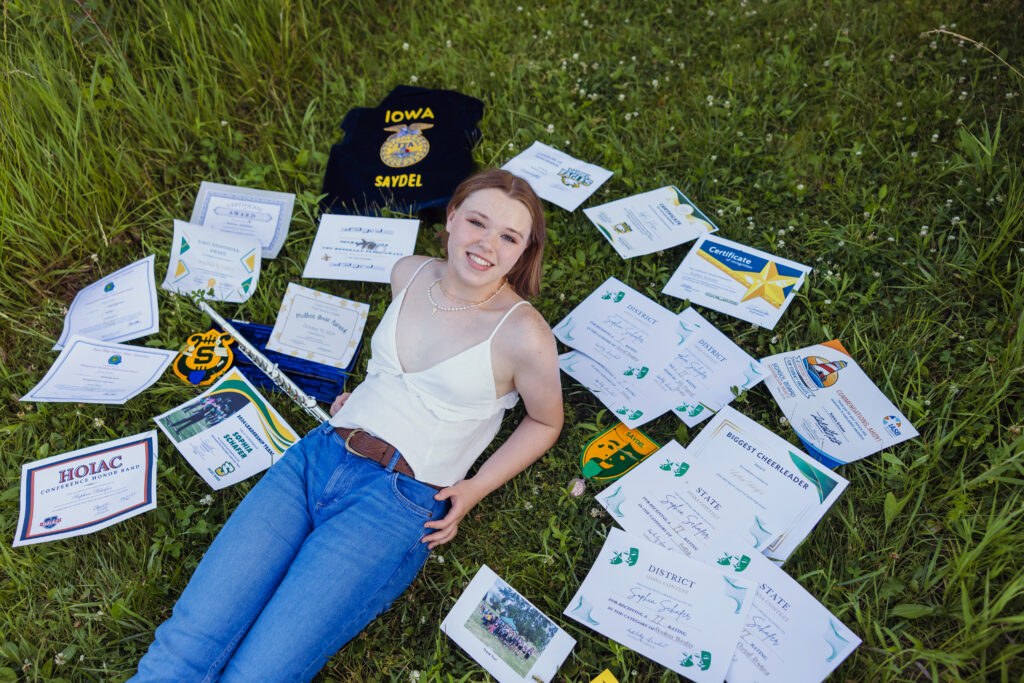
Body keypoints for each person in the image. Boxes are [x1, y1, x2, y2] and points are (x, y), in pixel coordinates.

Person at [132, 169, 563, 682]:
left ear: (524, 250)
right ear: (451, 218)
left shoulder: (523, 334)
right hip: (314, 458)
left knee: (257, 673)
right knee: (185, 643)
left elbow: (545, 420)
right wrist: (367, 399)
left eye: (509, 237)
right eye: (477, 222)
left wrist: (475, 488)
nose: (487, 244)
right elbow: (395, 368)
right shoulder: (408, 273)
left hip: (396, 501)